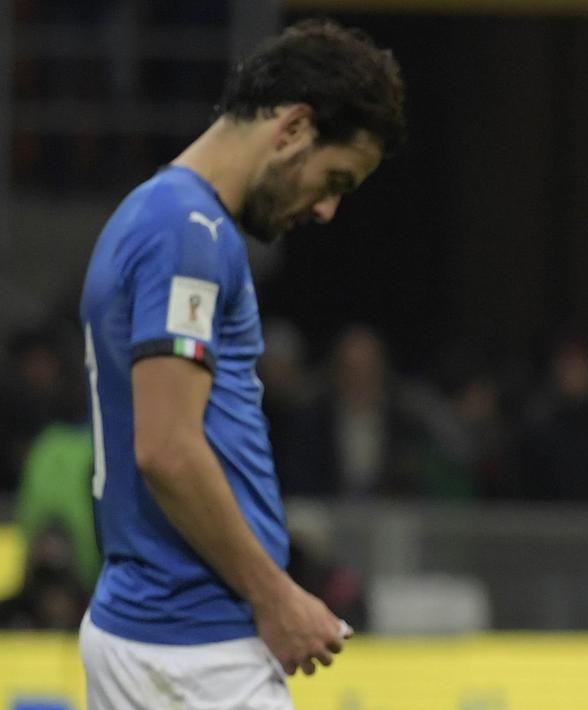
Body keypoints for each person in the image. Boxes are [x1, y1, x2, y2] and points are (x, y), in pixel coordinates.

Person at [77, 19, 406, 708]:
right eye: (333, 179)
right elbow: (167, 449)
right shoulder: (184, 233)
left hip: (172, 638)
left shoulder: (162, 216)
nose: (325, 209)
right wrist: (275, 596)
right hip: (190, 649)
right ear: (291, 128)